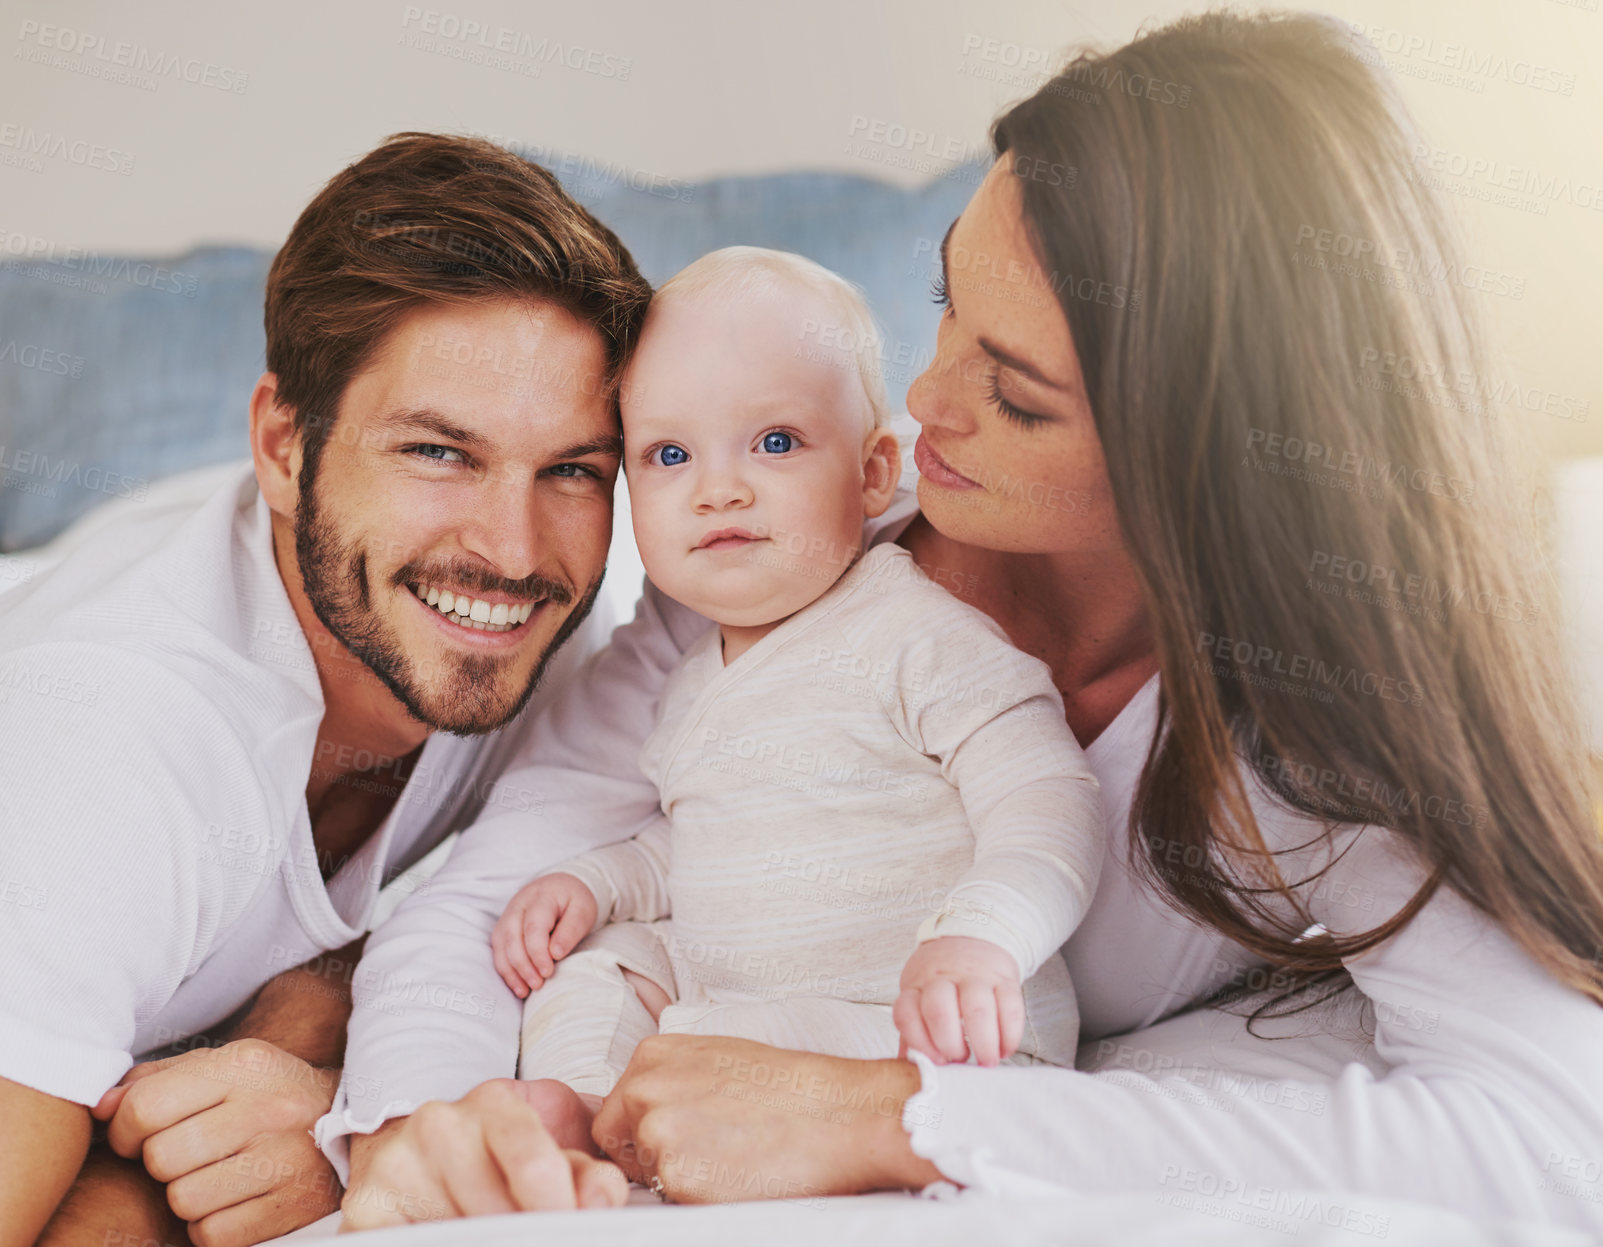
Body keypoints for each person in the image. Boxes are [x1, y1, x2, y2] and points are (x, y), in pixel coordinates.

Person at [330, 11, 1603, 1234]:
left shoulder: (1313, 711)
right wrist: (411, 1131)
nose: (922, 402)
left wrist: (910, 1116)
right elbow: (485, 896)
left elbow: (1553, 1131)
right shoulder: (761, 580)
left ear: (1205, 457)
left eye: (1020, 396)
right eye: (945, 302)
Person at [0, 132, 650, 1247]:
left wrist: (330, 1037)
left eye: (573, 468)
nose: (511, 548)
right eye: (438, 452)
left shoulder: (587, 622)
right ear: (283, 447)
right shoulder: (109, 754)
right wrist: (174, 1184)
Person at [491, 247, 1104, 1154]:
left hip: (916, 1029)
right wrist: (596, 881)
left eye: (775, 442)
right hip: (740, 997)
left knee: (695, 1049)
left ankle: (632, 1113)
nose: (719, 487)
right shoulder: (693, 681)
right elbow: (698, 839)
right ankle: (577, 1116)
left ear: (869, 474)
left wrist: (985, 938)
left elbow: (1050, 800)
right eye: (668, 454)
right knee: (596, 968)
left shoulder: (916, 633)